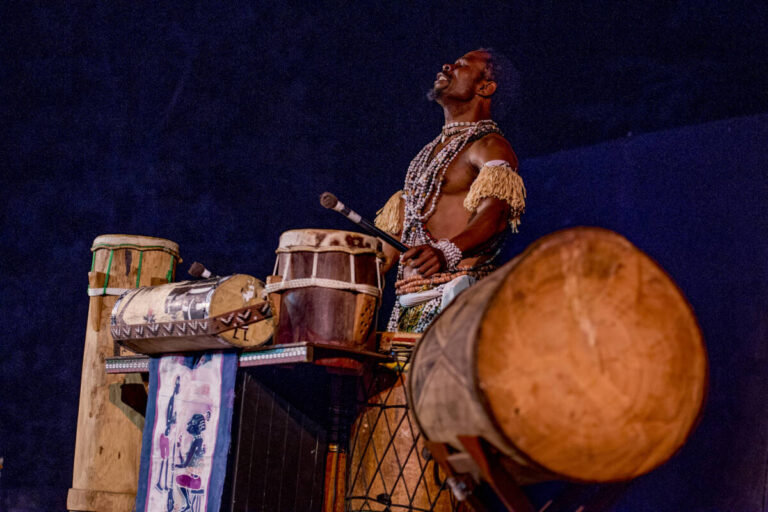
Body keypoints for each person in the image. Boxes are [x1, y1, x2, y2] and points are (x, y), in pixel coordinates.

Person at [376, 48, 526, 332]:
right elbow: (385, 253)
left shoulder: (490, 145)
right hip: (408, 308)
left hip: (459, 303)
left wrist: (446, 252)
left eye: (462, 65)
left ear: (485, 87)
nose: (447, 65)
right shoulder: (424, 158)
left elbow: (495, 213)